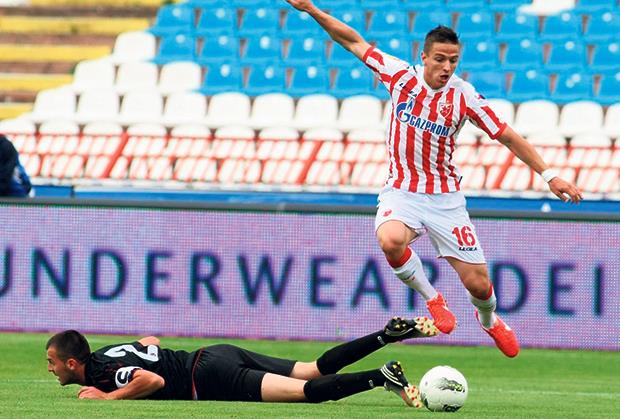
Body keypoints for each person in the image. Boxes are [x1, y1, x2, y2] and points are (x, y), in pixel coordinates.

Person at [285, 0, 583, 358]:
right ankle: (433, 299)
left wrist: (549, 175)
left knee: (479, 284)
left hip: (445, 199)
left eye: (453, 61)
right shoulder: (399, 76)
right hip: (402, 190)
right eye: (440, 59)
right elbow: (352, 41)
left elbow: (506, 135)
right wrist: (311, 9)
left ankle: (489, 320)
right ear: (423, 56)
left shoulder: (464, 96)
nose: (446, 67)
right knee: (390, 240)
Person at [46, 316, 439, 407]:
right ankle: (386, 335)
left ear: (73, 363)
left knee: (306, 392)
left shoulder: (102, 372)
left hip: (208, 376)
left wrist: (108, 398)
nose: (50, 368)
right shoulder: (105, 353)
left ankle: (380, 377)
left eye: (53, 362)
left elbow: (153, 381)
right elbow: (150, 342)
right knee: (311, 369)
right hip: (216, 353)